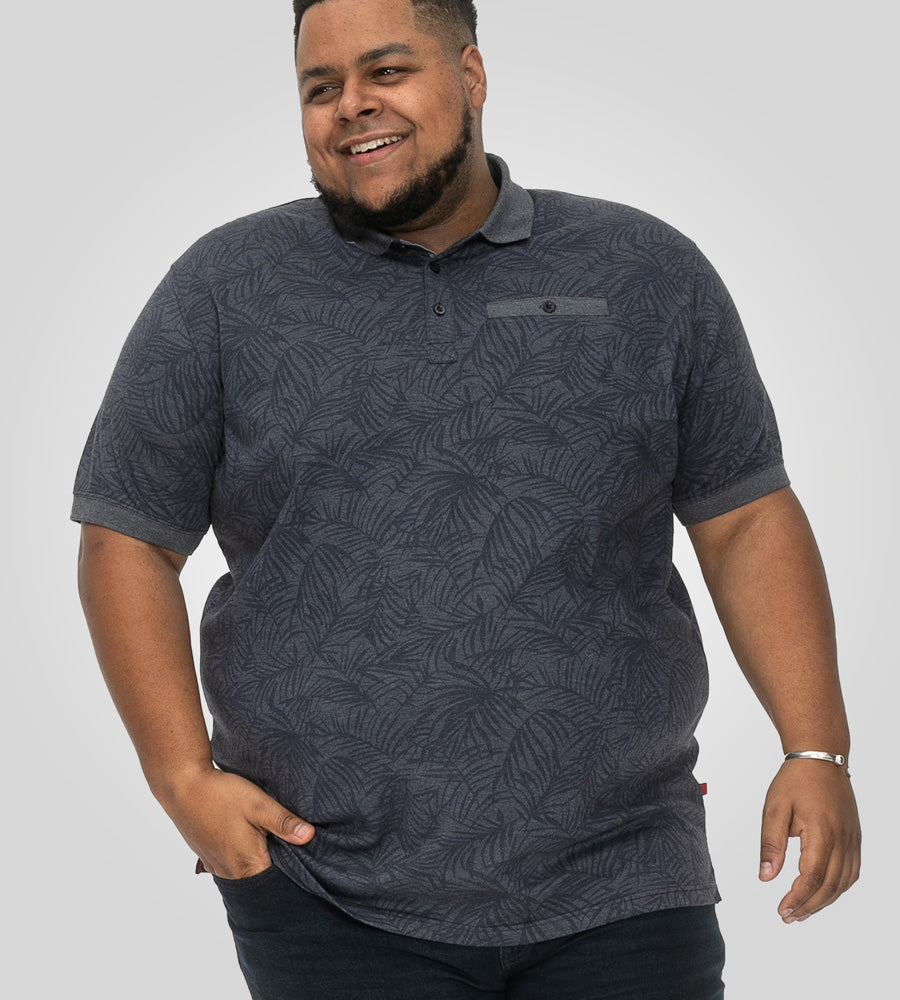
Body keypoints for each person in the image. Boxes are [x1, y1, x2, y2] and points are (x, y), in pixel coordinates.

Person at [72, 1, 861, 997]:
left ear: (472, 77)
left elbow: (744, 519)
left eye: (387, 70)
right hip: (325, 888)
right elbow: (128, 538)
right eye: (321, 87)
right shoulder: (225, 288)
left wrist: (817, 746)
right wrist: (183, 780)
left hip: (623, 879)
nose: (352, 105)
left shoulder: (644, 270)